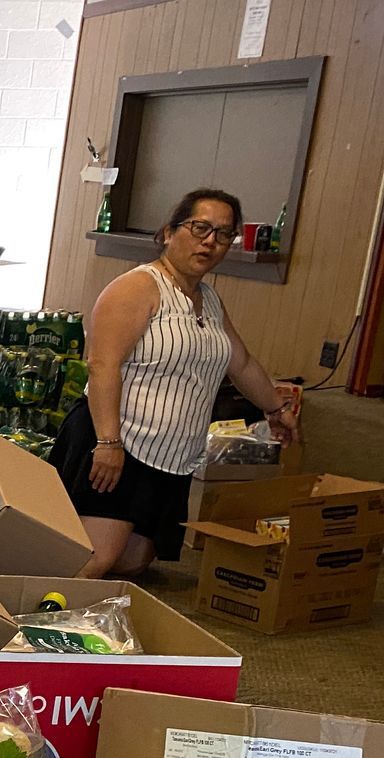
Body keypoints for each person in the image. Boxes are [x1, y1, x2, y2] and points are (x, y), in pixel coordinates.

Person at [52, 188, 298, 578]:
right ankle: (26, 612)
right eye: (200, 228)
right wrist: (109, 443)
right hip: (119, 443)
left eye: (223, 234)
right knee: (96, 559)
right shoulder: (136, 288)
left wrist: (276, 408)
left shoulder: (209, 300)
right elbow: (102, 366)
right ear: (169, 232)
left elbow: (241, 363)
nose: (210, 241)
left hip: (171, 457)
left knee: (134, 561)